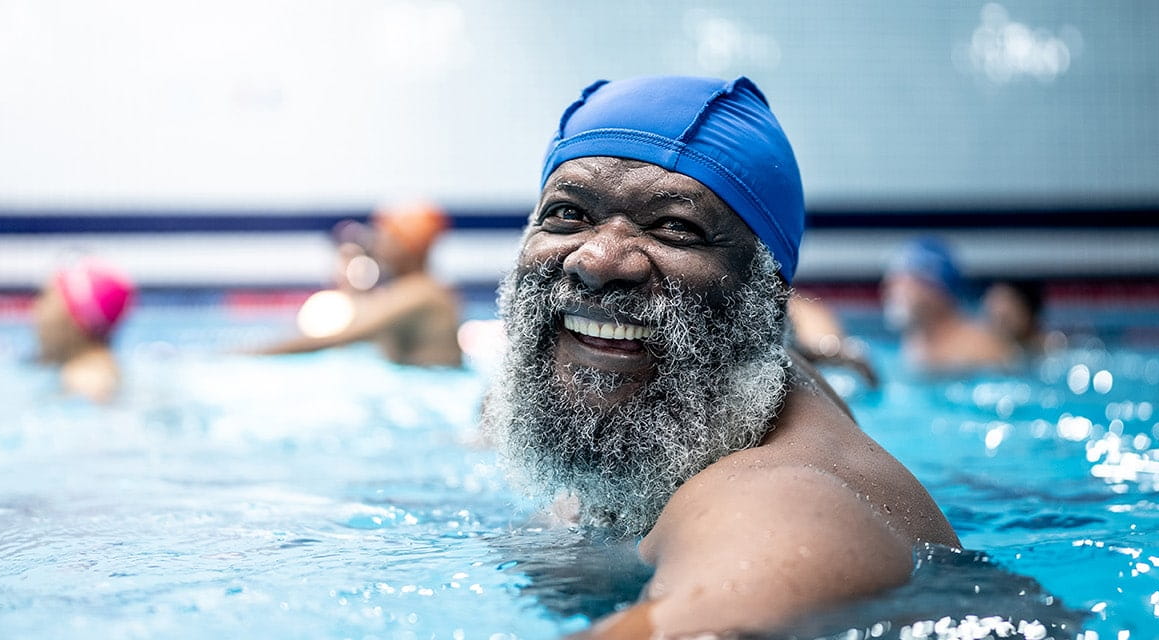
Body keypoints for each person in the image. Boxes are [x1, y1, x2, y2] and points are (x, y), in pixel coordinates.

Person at [481, 76, 959, 637]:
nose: (597, 258)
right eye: (568, 214)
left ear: (763, 298)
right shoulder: (736, 380)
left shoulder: (779, 510)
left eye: (676, 228)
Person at [255, 200, 463, 367]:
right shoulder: (411, 291)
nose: (377, 242)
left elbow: (339, 337)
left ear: (405, 247)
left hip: (433, 381)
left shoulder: (420, 294)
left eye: (385, 236)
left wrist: (253, 353)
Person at [882, 236, 1015, 374]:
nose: (890, 290)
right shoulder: (912, 344)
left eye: (902, 282)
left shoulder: (982, 350)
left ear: (937, 290)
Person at [32, 257, 136, 403]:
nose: (35, 310)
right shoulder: (103, 370)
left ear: (74, 317)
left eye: (46, 298)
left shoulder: (85, 381)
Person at [982, 279, 1051, 356]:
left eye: (1006, 319)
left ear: (1029, 313)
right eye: (995, 318)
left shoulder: (1051, 348)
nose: (1001, 324)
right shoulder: (988, 351)